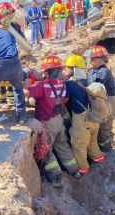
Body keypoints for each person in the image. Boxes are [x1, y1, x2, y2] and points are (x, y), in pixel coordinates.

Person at [24, 55, 79, 187]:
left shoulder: (43, 86)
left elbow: (26, 92)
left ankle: (57, 178)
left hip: (46, 122)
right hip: (58, 120)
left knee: (46, 150)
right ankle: (74, 170)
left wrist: (26, 81)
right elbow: (64, 100)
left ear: (47, 72)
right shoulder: (63, 85)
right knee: (62, 145)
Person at [63, 55, 105, 175]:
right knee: (92, 140)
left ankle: (83, 169)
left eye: (67, 67)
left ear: (73, 69)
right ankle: (99, 158)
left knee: (79, 144)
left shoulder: (70, 84)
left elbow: (64, 100)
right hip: (93, 117)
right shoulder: (87, 80)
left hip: (81, 120)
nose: (65, 70)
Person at [86, 46, 115, 153]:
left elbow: (93, 86)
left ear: (100, 59)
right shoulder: (94, 69)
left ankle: (106, 149)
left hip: (109, 101)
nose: (90, 61)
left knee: (104, 127)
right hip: (102, 100)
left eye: (92, 58)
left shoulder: (103, 72)